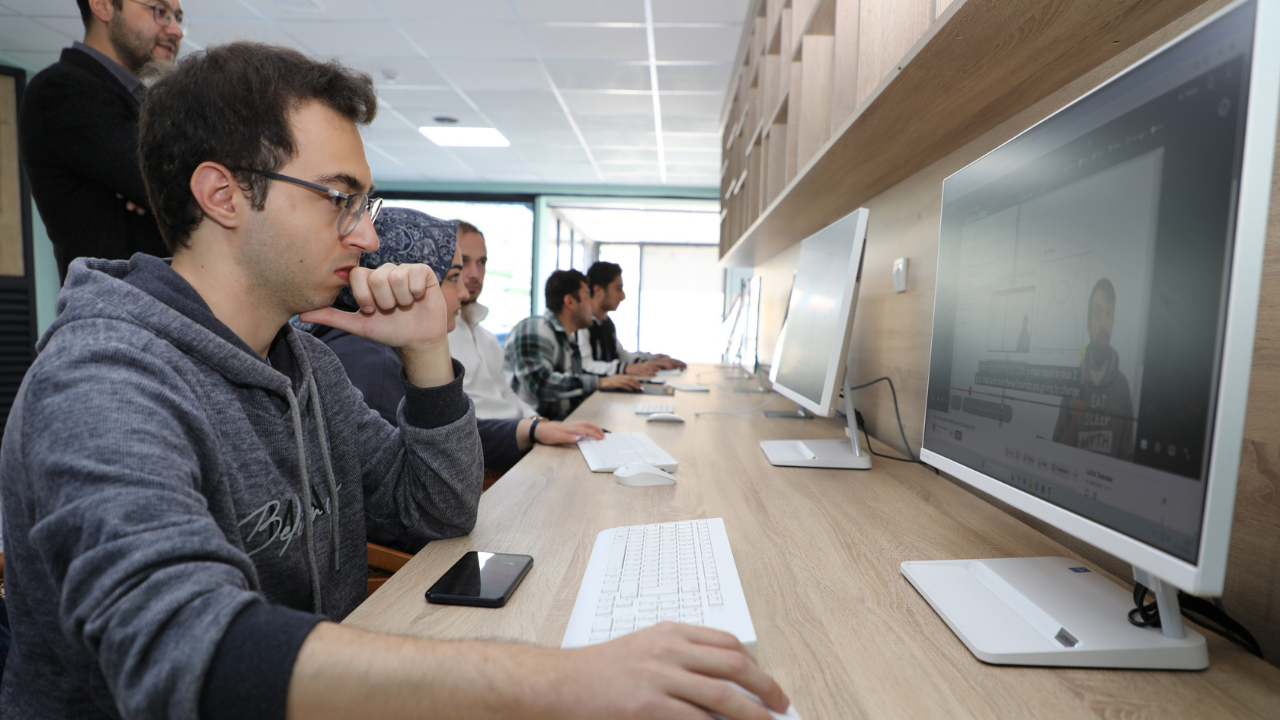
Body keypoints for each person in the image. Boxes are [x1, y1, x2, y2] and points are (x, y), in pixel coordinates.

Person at [0, 42, 787, 720]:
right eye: (341, 199)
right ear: (223, 194)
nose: (369, 234)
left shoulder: (298, 361)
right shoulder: (103, 381)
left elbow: (437, 508)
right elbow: (185, 648)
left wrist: (426, 354)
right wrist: (561, 681)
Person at [311, 207, 604, 485]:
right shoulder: (374, 362)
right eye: (453, 276)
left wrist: (535, 426)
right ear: (403, 280)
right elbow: (433, 493)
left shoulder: (378, 352)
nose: (465, 290)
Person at [19, 0, 185, 282]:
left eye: (178, 17)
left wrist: (161, 182)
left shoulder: (148, 103)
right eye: (160, 11)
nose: (176, 30)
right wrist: (163, 182)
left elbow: (167, 181)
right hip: (114, 312)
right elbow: (170, 185)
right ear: (102, 6)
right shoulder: (61, 89)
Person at [505, 270, 643, 420]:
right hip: (528, 434)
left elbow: (569, 399)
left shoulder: (568, 340)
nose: (593, 303)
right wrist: (600, 383)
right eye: (587, 296)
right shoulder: (535, 328)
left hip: (554, 427)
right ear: (570, 302)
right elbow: (541, 383)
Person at [448, 220, 538, 420]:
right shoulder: (437, 338)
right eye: (465, 261)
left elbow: (505, 392)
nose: (475, 274)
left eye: (481, 262)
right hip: (490, 442)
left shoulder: (487, 339)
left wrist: (536, 421)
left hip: (518, 435)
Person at [1053, 278, 1135, 460]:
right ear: (1089, 325)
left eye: (1108, 314)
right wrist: (1075, 422)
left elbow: (1128, 460)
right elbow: (1055, 456)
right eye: (1098, 315)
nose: (1103, 323)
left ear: (1113, 322)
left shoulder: (1122, 387)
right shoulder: (1073, 384)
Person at [579, 261, 686, 377]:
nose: (622, 296)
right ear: (598, 290)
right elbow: (585, 365)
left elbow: (621, 355)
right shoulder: (582, 325)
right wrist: (626, 368)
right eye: (618, 289)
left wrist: (653, 362)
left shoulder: (607, 323)